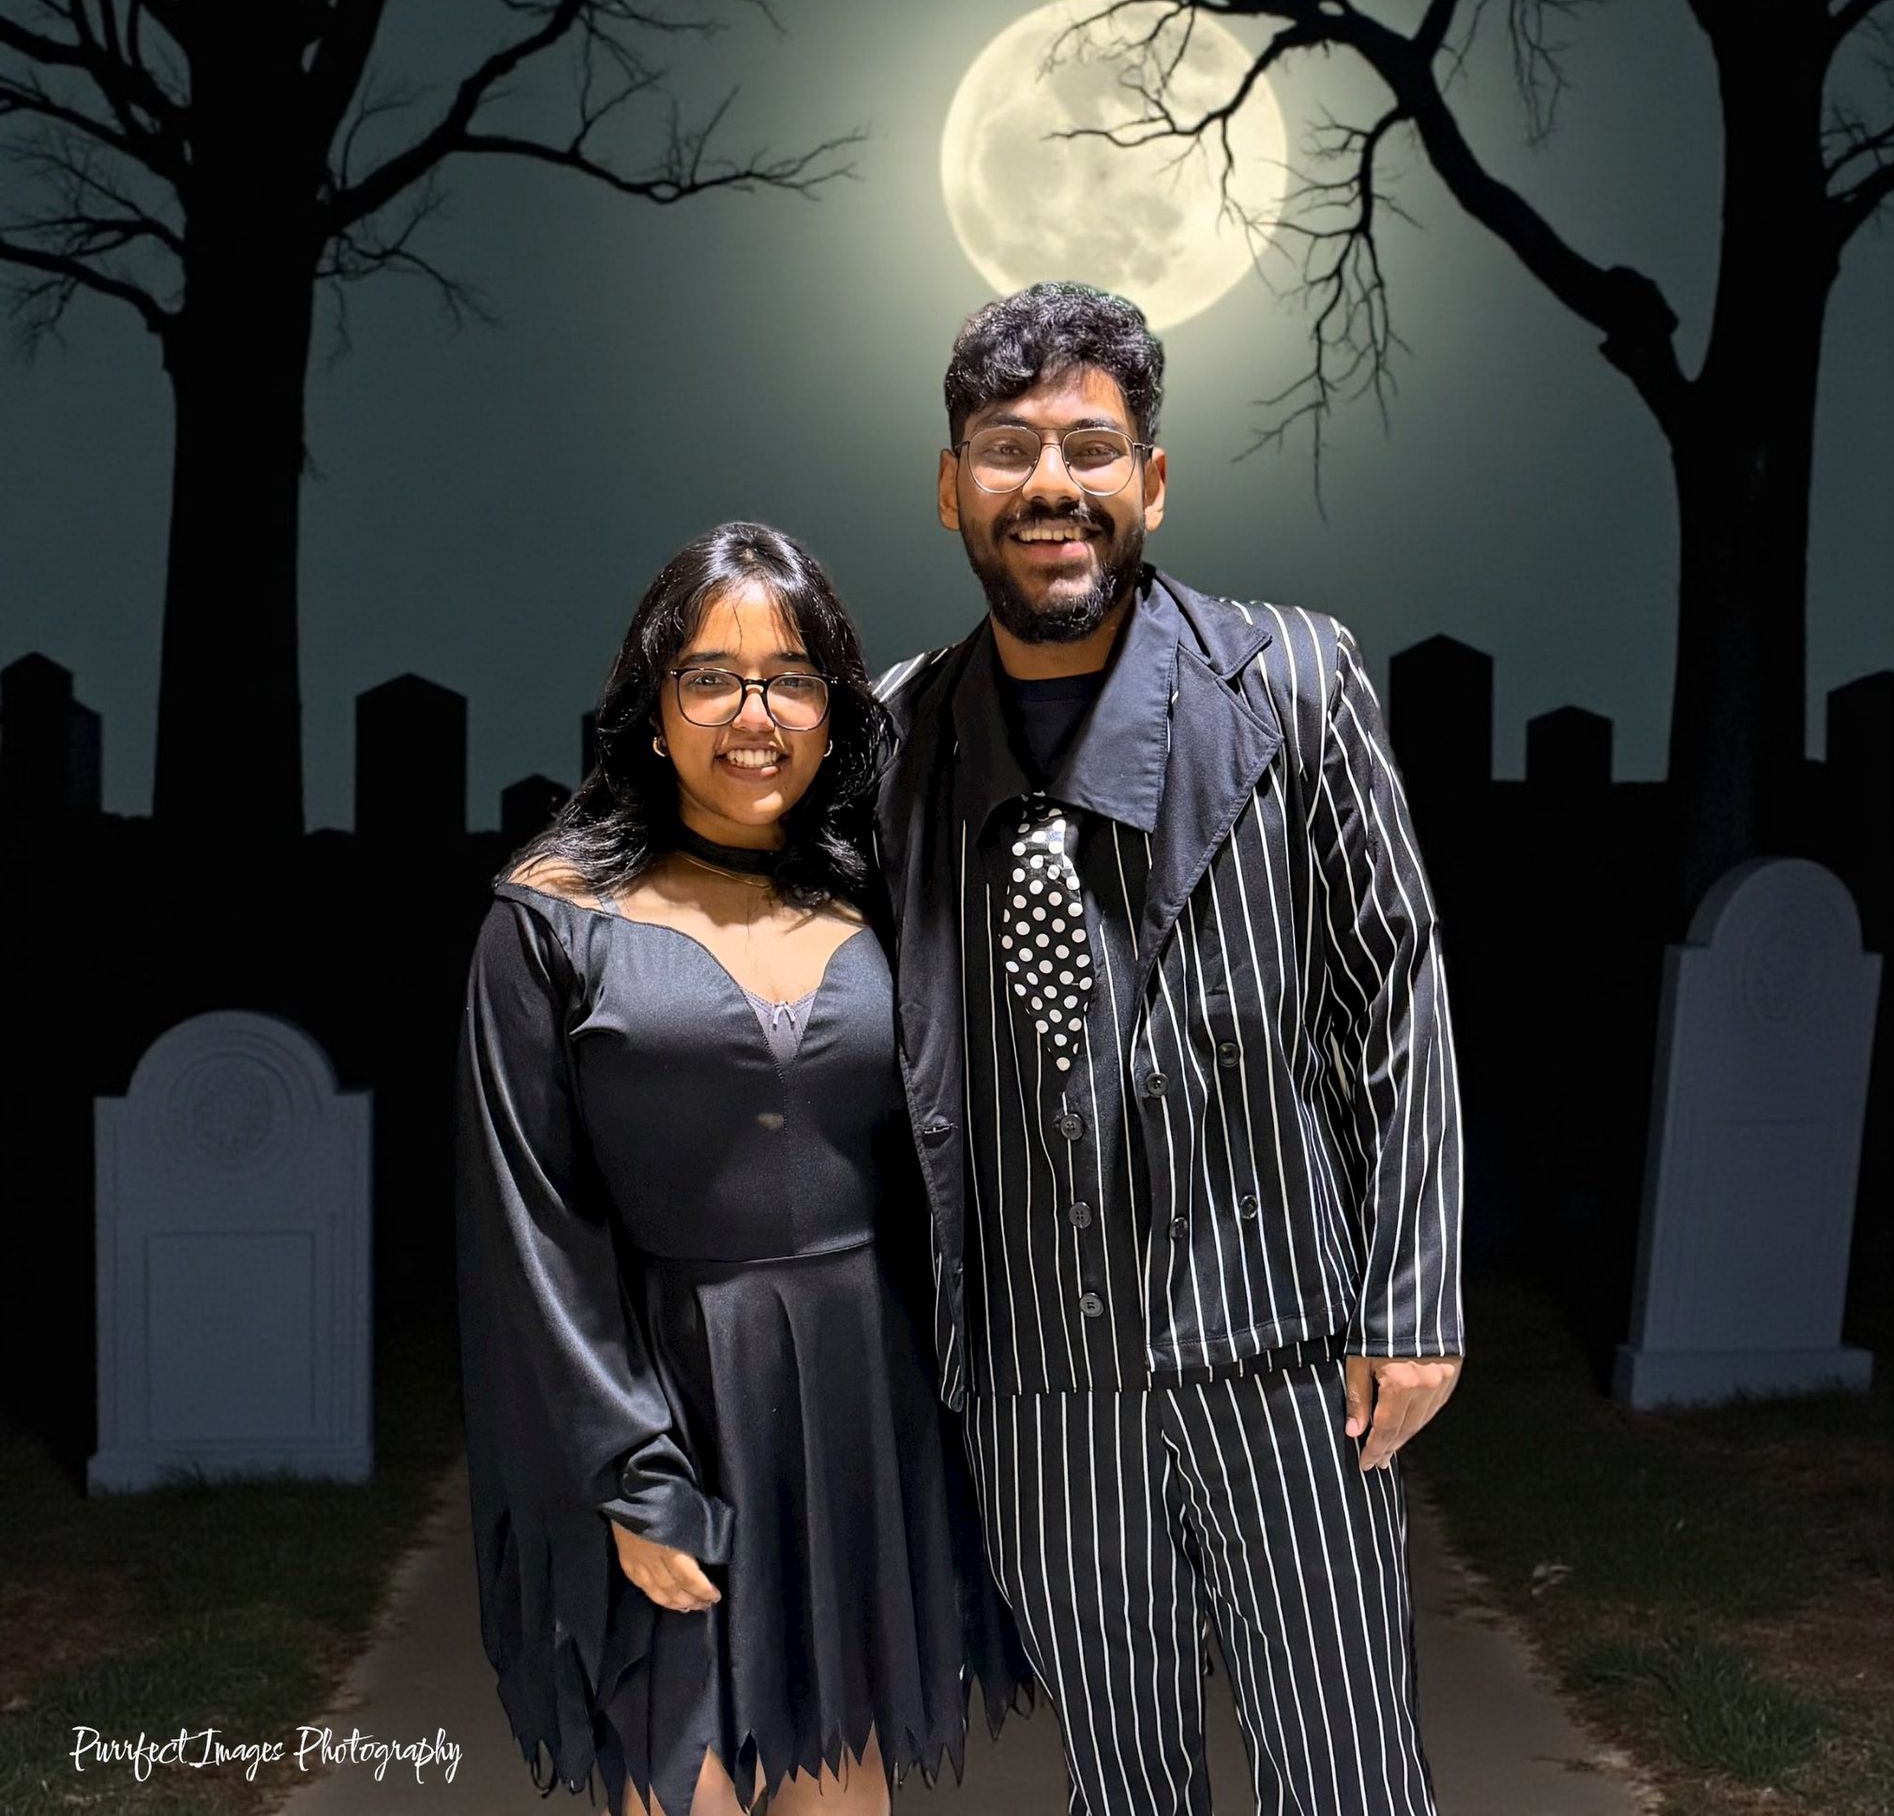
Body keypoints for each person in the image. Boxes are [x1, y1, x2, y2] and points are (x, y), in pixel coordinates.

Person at [868, 283, 1466, 1815]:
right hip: (1039, 1372)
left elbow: (1393, 990)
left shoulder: (1295, 678)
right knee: (1122, 1778)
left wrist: (1412, 1298)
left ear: (1152, 478)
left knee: (1346, 1768)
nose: (1049, 485)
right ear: (950, 488)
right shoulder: (895, 743)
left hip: (1278, 1350)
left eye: (1090, 444)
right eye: (1006, 449)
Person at [452, 522, 1030, 1816]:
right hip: (664, 1405)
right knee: (682, 1782)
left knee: (840, 1790)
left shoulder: (890, 903)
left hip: (860, 1418)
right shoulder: (549, 921)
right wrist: (630, 1469)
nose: (752, 713)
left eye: (792, 678)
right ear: (652, 710)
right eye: (711, 676)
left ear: (835, 710)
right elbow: (531, 1228)